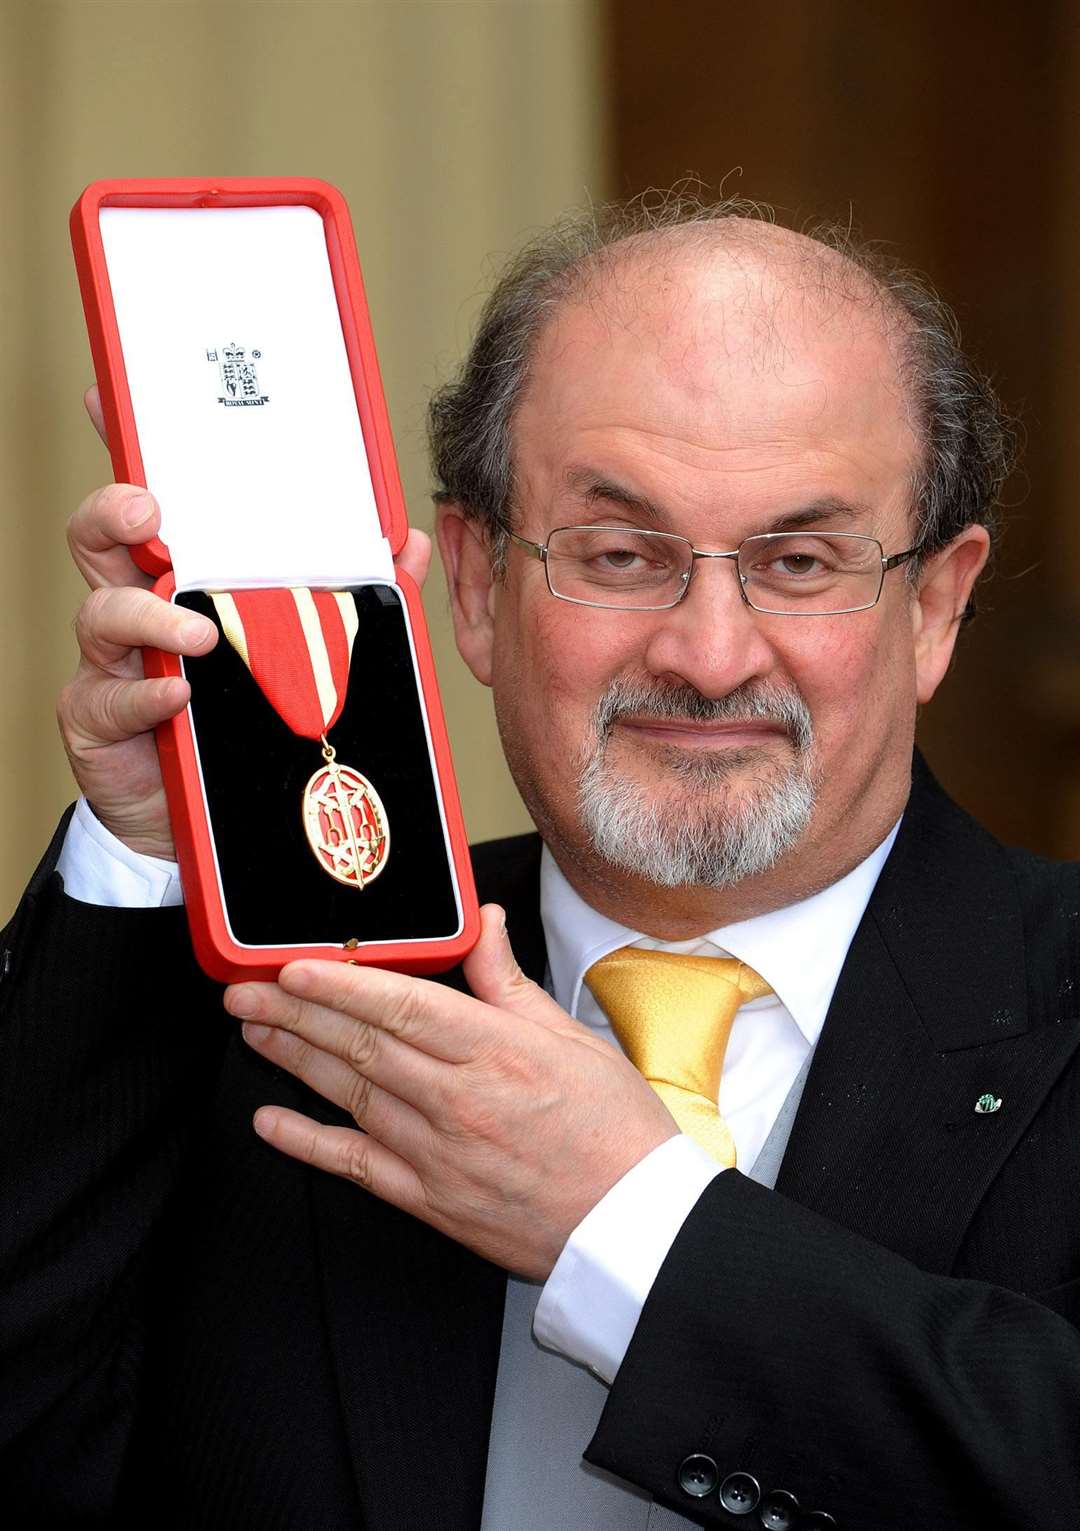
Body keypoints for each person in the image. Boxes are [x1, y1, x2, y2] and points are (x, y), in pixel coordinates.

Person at [3, 194, 1079, 1531]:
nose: (709, 653)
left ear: (933, 607)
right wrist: (142, 854)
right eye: (620, 554)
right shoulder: (276, 996)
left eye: (800, 562)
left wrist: (633, 1226)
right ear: (471, 584)